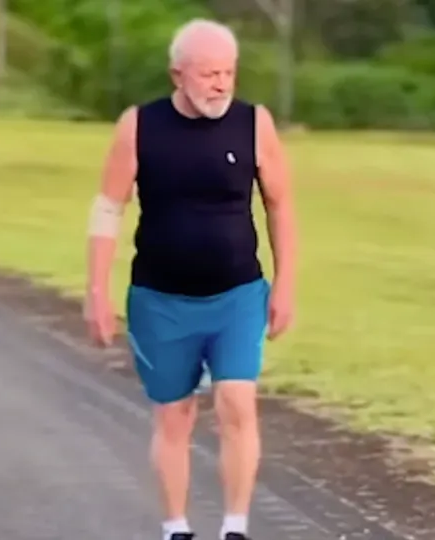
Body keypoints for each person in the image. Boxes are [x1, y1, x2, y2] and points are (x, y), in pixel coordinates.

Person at [83, 17, 297, 540]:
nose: (221, 84)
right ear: (178, 74)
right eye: (209, 74)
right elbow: (109, 208)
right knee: (175, 415)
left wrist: (286, 281)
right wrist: (96, 290)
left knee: (236, 403)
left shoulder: (254, 124)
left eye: (229, 73)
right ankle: (176, 527)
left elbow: (279, 203)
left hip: (238, 293)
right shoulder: (139, 127)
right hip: (160, 298)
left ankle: (235, 528)